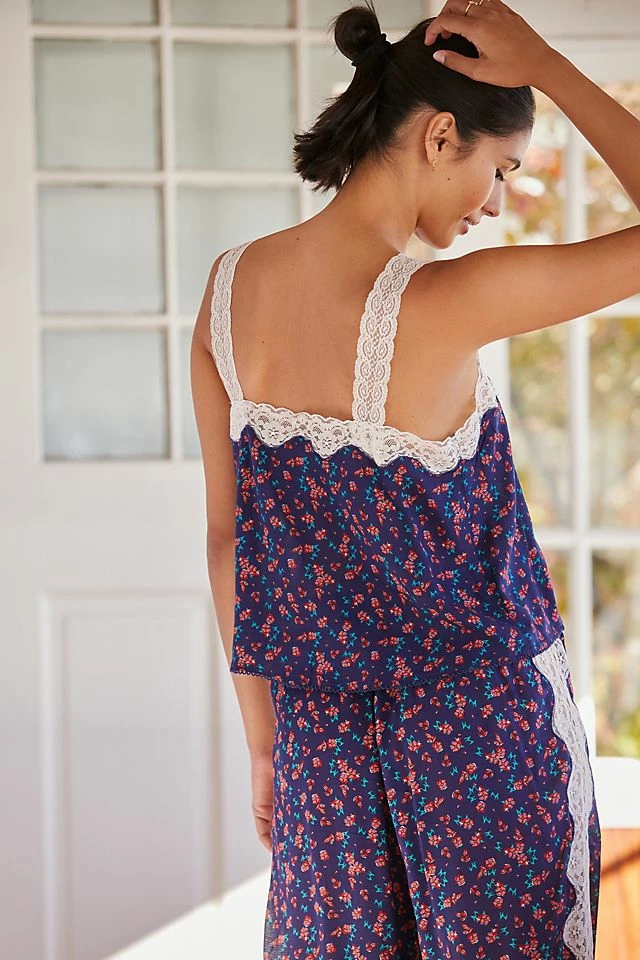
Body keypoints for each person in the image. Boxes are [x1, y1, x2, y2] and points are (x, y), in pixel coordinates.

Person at [191, 0, 640, 955]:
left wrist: (267, 743)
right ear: (441, 136)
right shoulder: (444, 301)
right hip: (484, 747)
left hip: (323, 755)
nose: (497, 202)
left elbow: (228, 544)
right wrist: (550, 66)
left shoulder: (227, 293)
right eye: (502, 168)